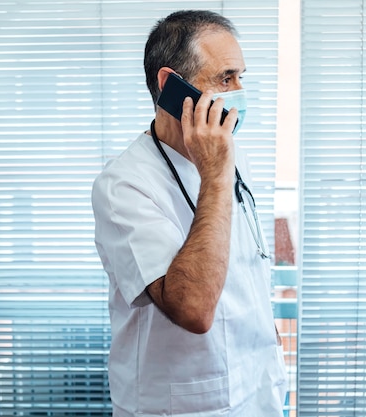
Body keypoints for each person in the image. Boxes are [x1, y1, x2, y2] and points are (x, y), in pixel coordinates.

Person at [91, 10, 287, 417]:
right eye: (225, 78)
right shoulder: (124, 184)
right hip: (183, 403)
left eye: (240, 77)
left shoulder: (231, 153)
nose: (238, 92)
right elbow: (193, 309)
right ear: (170, 86)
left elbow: (244, 260)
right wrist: (215, 176)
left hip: (257, 386)